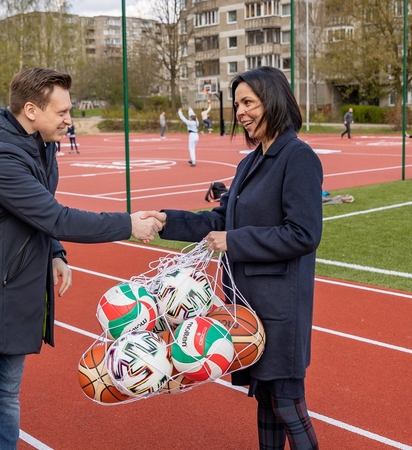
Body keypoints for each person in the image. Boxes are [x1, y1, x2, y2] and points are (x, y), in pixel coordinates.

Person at [0, 68, 161, 450]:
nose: (69, 120)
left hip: (15, 290)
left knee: (6, 396)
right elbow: (54, 215)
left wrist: (54, 250)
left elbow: (38, 212)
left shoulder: (40, 145)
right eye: (62, 112)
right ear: (30, 110)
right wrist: (127, 224)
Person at [145, 66, 322, 449]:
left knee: (288, 403)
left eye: (249, 103)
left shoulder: (298, 157)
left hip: (281, 308)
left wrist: (235, 241)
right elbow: (220, 220)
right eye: (237, 103)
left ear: (272, 102)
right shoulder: (250, 161)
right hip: (247, 306)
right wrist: (166, 221)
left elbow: (303, 234)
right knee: (265, 399)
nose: (240, 112)